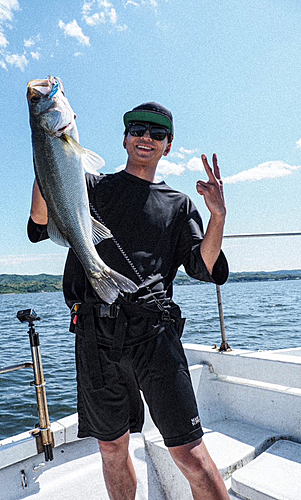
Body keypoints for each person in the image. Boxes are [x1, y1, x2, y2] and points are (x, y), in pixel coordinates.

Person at [28, 102, 230, 500]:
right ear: (124, 138)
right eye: (138, 129)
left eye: (157, 134)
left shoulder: (179, 205)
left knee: (190, 454)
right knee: (111, 448)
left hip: (154, 335)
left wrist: (218, 217)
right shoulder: (89, 187)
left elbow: (203, 268)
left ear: (168, 147)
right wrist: (47, 155)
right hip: (94, 334)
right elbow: (38, 224)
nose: (146, 138)